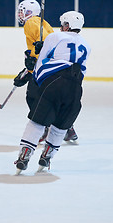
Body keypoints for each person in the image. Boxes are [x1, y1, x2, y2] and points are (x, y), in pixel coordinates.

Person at [14, 11, 91, 174]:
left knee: (37, 121)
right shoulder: (87, 45)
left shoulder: (54, 37)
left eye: (63, 23)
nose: (61, 26)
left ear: (67, 25)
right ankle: (47, 155)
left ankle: (25, 154)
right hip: (76, 89)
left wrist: (33, 74)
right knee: (61, 126)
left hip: (54, 84)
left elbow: (40, 64)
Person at [13, 0, 78, 143]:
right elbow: (43, 46)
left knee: (33, 97)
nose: (20, 14)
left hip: (44, 68)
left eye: (22, 11)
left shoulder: (30, 23)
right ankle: (68, 129)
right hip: (49, 67)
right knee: (44, 97)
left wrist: (32, 67)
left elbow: (42, 48)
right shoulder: (43, 23)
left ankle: (46, 127)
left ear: (30, 12)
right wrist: (28, 69)